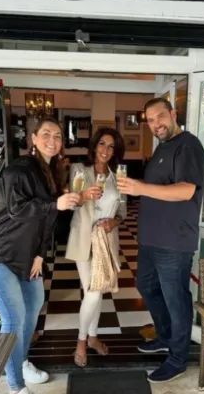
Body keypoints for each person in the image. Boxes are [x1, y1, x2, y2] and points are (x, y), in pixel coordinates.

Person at [0, 118, 80, 394]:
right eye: (46, 134)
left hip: (26, 254)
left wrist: (40, 255)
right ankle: (15, 386)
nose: (52, 140)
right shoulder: (20, 169)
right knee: (14, 317)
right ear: (33, 138)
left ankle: (20, 362)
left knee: (33, 305)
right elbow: (17, 210)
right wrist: (55, 203)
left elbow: (47, 220)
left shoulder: (51, 171)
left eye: (57, 136)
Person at [116, 98, 204, 384]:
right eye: (151, 120)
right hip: (151, 239)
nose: (156, 124)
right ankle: (165, 337)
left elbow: (186, 190)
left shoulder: (187, 145)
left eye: (160, 117)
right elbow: (160, 188)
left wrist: (140, 188)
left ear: (173, 114)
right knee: (147, 287)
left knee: (176, 299)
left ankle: (178, 359)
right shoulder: (162, 148)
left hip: (174, 241)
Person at [65, 127, 128, 367]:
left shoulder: (117, 176)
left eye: (111, 146)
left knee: (98, 289)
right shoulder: (80, 170)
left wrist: (115, 221)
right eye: (102, 144)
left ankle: (92, 337)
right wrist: (83, 196)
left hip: (106, 238)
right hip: (84, 237)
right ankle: (82, 341)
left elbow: (122, 208)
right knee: (92, 291)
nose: (106, 150)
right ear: (94, 146)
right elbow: (72, 204)